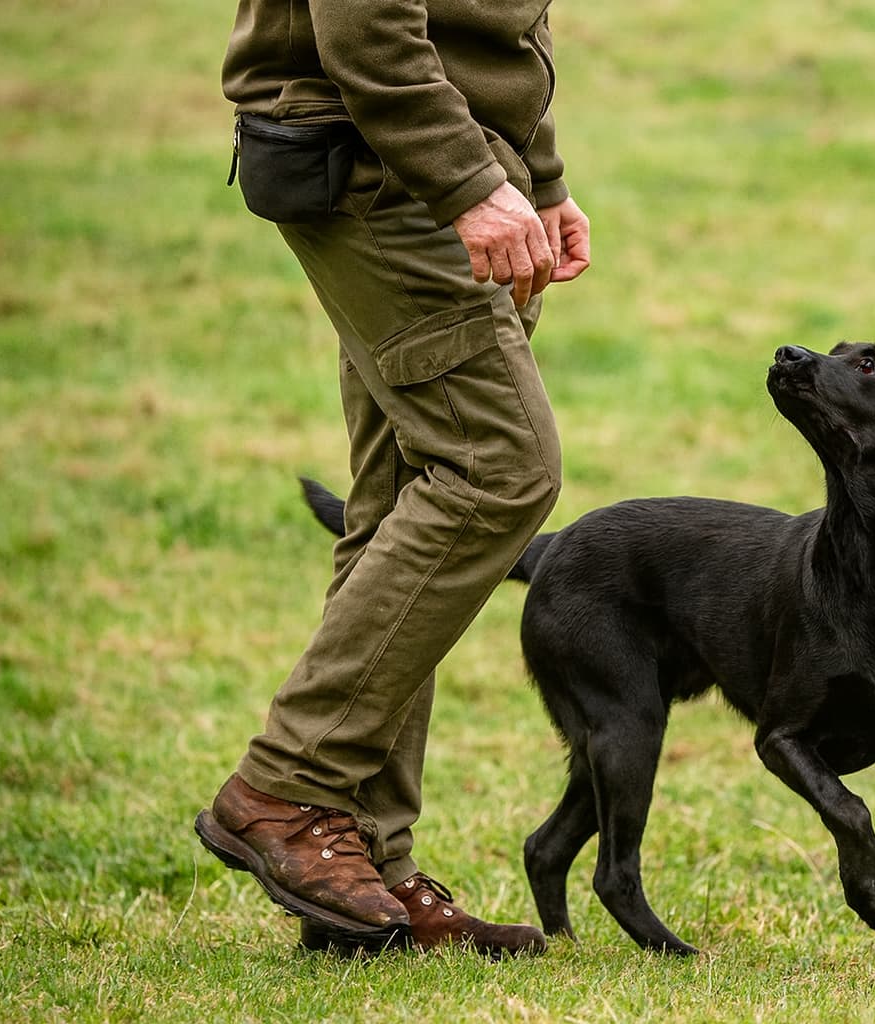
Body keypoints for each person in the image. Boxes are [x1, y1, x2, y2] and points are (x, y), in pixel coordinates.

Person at [194, 0, 589, 958]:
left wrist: (534, 173)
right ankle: (288, 784)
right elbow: (366, 21)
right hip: (379, 155)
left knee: (399, 503)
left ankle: (362, 858)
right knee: (499, 469)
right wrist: (468, 183)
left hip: (441, 153)